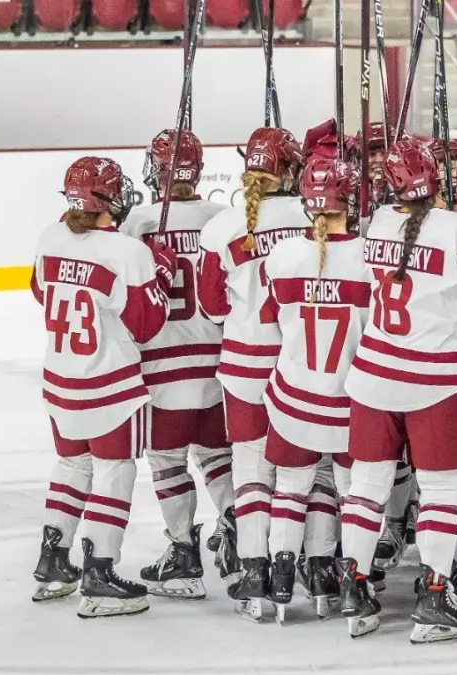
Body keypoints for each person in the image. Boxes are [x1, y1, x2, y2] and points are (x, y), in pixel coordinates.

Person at [336, 137, 457, 642]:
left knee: (366, 486)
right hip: (433, 383)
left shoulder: (377, 222)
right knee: (443, 492)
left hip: (372, 375)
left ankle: (354, 587)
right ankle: (435, 592)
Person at [30, 156, 174, 619]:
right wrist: (161, 274)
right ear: (107, 199)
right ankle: (100, 569)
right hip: (109, 383)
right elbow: (148, 325)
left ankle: (53, 561)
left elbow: (38, 290)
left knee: (72, 466)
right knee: (115, 473)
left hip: (61, 379)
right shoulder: (129, 253)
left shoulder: (49, 237)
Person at [197, 126, 308, 622]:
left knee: (249, 471)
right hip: (298, 365)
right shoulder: (311, 217)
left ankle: (253, 569)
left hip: (242, 365)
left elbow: (213, 306)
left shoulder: (221, 227)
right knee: (300, 473)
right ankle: (301, 564)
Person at [118, 129, 234, 600]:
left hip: (161, 365)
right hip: (218, 362)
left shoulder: (140, 222)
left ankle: (183, 556)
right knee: (217, 454)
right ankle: (238, 529)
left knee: (167, 461)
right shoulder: (222, 217)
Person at [261, 157, 369, 623]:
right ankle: (335, 575)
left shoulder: (282, 254)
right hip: (348, 400)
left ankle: (282, 574)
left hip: (294, 395)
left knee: (290, 487)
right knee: (347, 491)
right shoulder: (369, 257)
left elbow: (269, 319)